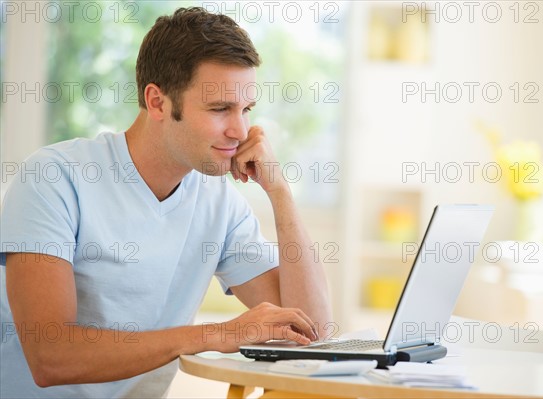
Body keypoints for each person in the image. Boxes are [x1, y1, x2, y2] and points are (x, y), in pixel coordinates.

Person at [0, 7, 332, 398]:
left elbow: (312, 333)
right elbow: (50, 356)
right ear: (157, 102)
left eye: (246, 110)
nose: (240, 131)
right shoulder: (54, 179)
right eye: (219, 108)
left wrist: (280, 194)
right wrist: (218, 334)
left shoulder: (219, 202)